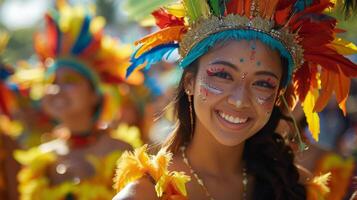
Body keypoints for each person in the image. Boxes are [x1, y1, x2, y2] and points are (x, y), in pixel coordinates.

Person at [113, 0, 357, 199]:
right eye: (222, 75)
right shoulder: (144, 195)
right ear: (189, 81)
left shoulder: (295, 187)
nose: (240, 100)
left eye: (262, 83)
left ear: (278, 98)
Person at [14, 1, 143, 199]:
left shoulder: (123, 154)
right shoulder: (41, 161)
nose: (57, 89)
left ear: (95, 95)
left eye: (70, 81)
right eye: (52, 81)